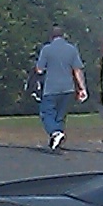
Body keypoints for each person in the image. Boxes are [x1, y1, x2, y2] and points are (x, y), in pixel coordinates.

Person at [32, 23, 86, 153]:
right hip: (68, 88)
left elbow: (39, 70)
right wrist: (82, 88)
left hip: (51, 87)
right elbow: (77, 70)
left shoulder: (47, 49)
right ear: (63, 36)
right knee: (60, 116)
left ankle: (55, 133)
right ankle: (57, 143)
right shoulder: (72, 49)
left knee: (47, 113)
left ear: (51, 36)